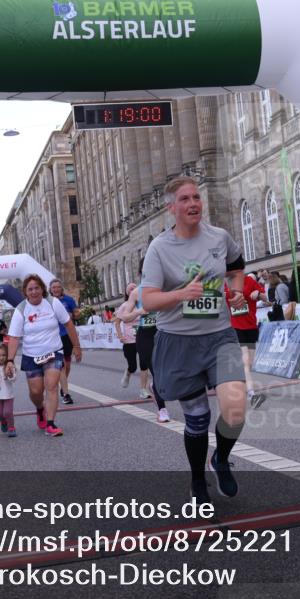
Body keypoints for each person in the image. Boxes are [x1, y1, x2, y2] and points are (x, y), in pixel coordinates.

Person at [141, 176, 249, 503]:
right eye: (185, 199)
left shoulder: (219, 237)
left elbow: (237, 266)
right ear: (171, 207)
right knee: (198, 418)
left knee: (235, 409)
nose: (193, 204)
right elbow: (148, 301)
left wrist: (238, 292)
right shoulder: (159, 248)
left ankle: (220, 458)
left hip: (219, 336)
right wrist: (181, 294)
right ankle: (198, 479)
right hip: (178, 341)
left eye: (196, 197)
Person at [5, 274, 81, 437]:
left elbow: (68, 323)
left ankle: (51, 423)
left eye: (37, 288)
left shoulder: (53, 303)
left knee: (52, 386)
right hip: (31, 355)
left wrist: (76, 346)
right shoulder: (21, 309)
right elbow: (14, 337)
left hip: (53, 351)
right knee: (36, 392)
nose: (34, 292)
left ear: (42, 289)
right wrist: (10, 360)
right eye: (30, 289)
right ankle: (40, 409)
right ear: (25, 292)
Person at [115, 263, 170, 423]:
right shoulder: (137, 293)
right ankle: (162, 409)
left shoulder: (165, 287)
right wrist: (139, 312)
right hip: (145, 335)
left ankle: (154, 387)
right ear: (140, 273)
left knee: (166, 371)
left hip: (164, 332)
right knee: (156, 370)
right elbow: (124, 317)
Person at [226, 272, 269, 409]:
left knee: (249, 363)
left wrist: (258, 293)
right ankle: (252, 394)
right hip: (236, 327)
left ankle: (239, 381)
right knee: (245, 362)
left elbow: (266, 297)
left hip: (251, 326)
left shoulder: (249, 281)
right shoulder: (225, 284)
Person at [114, 283, 151, 398]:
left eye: (135, 288)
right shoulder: (125, 306)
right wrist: (120, 336)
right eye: (131, 288)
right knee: (133, 366)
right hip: (129, 341)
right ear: (127, 292)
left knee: (144, 364)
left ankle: (143, 389)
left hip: (142, 338)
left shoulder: (143, 303)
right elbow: (117, 322)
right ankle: (128, 372)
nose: (134, 290)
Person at [49, 279, 79, 405]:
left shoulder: (68, 300)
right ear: (50, 289)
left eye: (58, 287)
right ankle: (65, 392)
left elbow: (76, 313)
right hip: (54, 336)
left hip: (66, 334)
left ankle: (63, 385)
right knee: (61, 365)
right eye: (53, 287)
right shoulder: (47, 302)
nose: (56, 289)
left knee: (67, 365)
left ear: (61, 288)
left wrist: (73, 315)